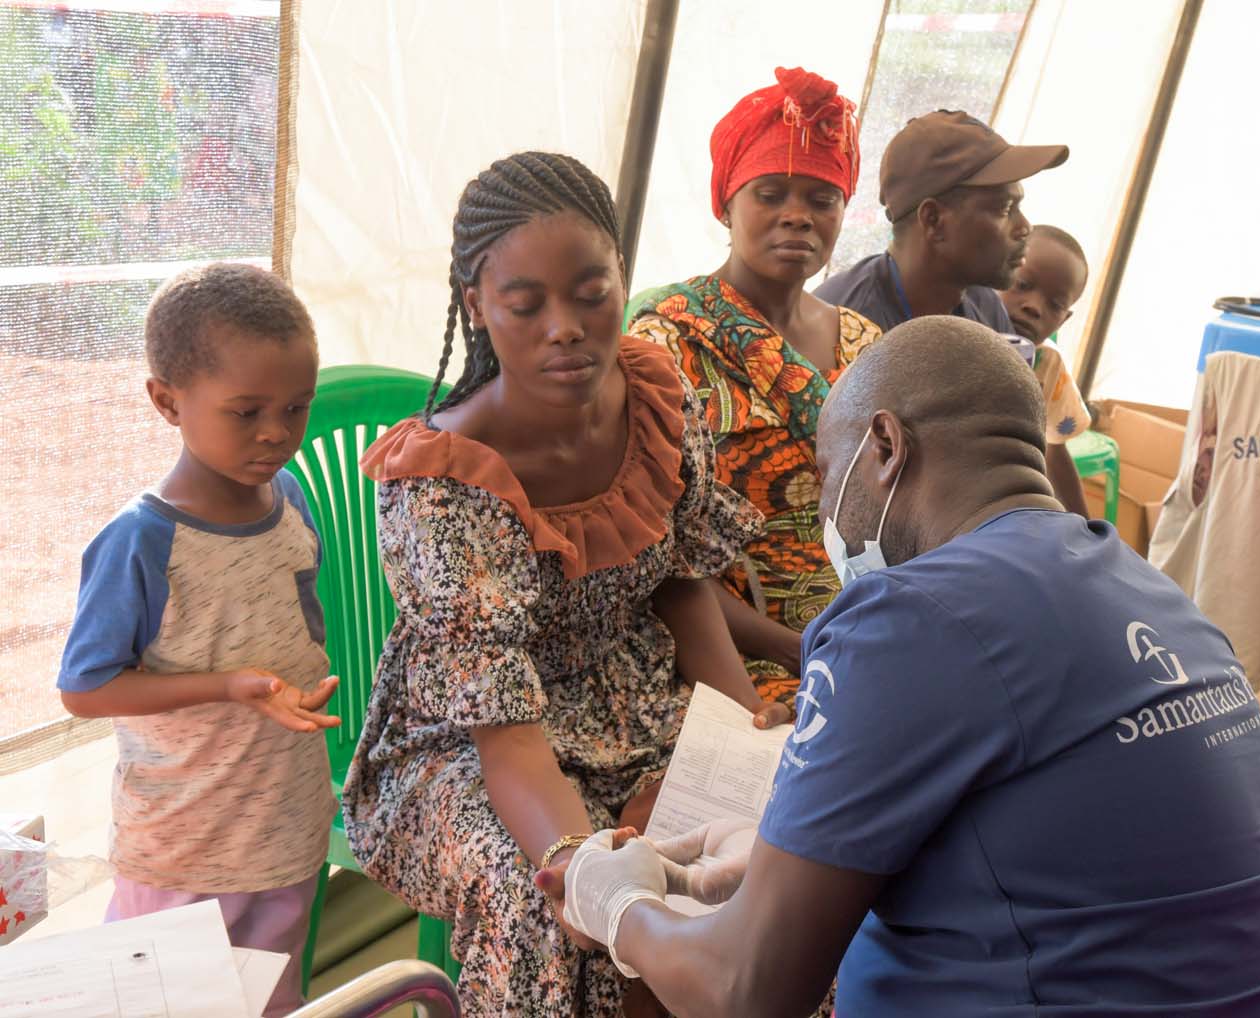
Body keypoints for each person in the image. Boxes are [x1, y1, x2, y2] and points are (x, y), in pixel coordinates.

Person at [552, 316, 1260, 1018]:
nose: (825, 513)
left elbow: (744, 990)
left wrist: (619, 908)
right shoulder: (1154, 593)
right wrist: (789, 850)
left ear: (883, 447)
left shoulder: (908, 617)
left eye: (825, 475)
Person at [341, 151, 786, 1018]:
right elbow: (506, 738)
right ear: (476, 304)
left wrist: (741, 737)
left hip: (632, 699)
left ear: (623, 276)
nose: (567, 326)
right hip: (469, 740)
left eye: (592, 292)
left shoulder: (656, 393)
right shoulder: (446, 484)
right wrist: (580, 864)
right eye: (525, 303)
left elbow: (682, 583)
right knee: (543, 909)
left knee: (767, 840)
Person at [57, 263, 339, 1017]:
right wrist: (226, 686)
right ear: (166, 401)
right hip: (184, 845)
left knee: (270, 1000)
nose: (276, 432)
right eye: (246, 412)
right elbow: (84, 688)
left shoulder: (290, 499)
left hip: (282, 826)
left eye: (295, 407)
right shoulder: (141, 541)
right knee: (166, 1005)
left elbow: (298, 633)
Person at [629, 66, 880, 706]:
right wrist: (800, 651)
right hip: (723, 650)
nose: (797, 217)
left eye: (822, 200)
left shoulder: (866, 344)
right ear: (727, 202)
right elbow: (655, 556)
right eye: (770, 193)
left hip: (864, 633)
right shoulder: (669, 342)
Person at [815, 110, 1089, 516]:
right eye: (1004, 209)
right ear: (934, 220)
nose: (1024, 227)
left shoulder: (982, 307)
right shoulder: (845, 323)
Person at [998, 223, 1094, 448]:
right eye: (1022, 285)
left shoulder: (1048, 367)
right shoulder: (956, 332)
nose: (1034, 307)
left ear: (1064, 320)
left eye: (1056, 305)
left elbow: (1054, 447)